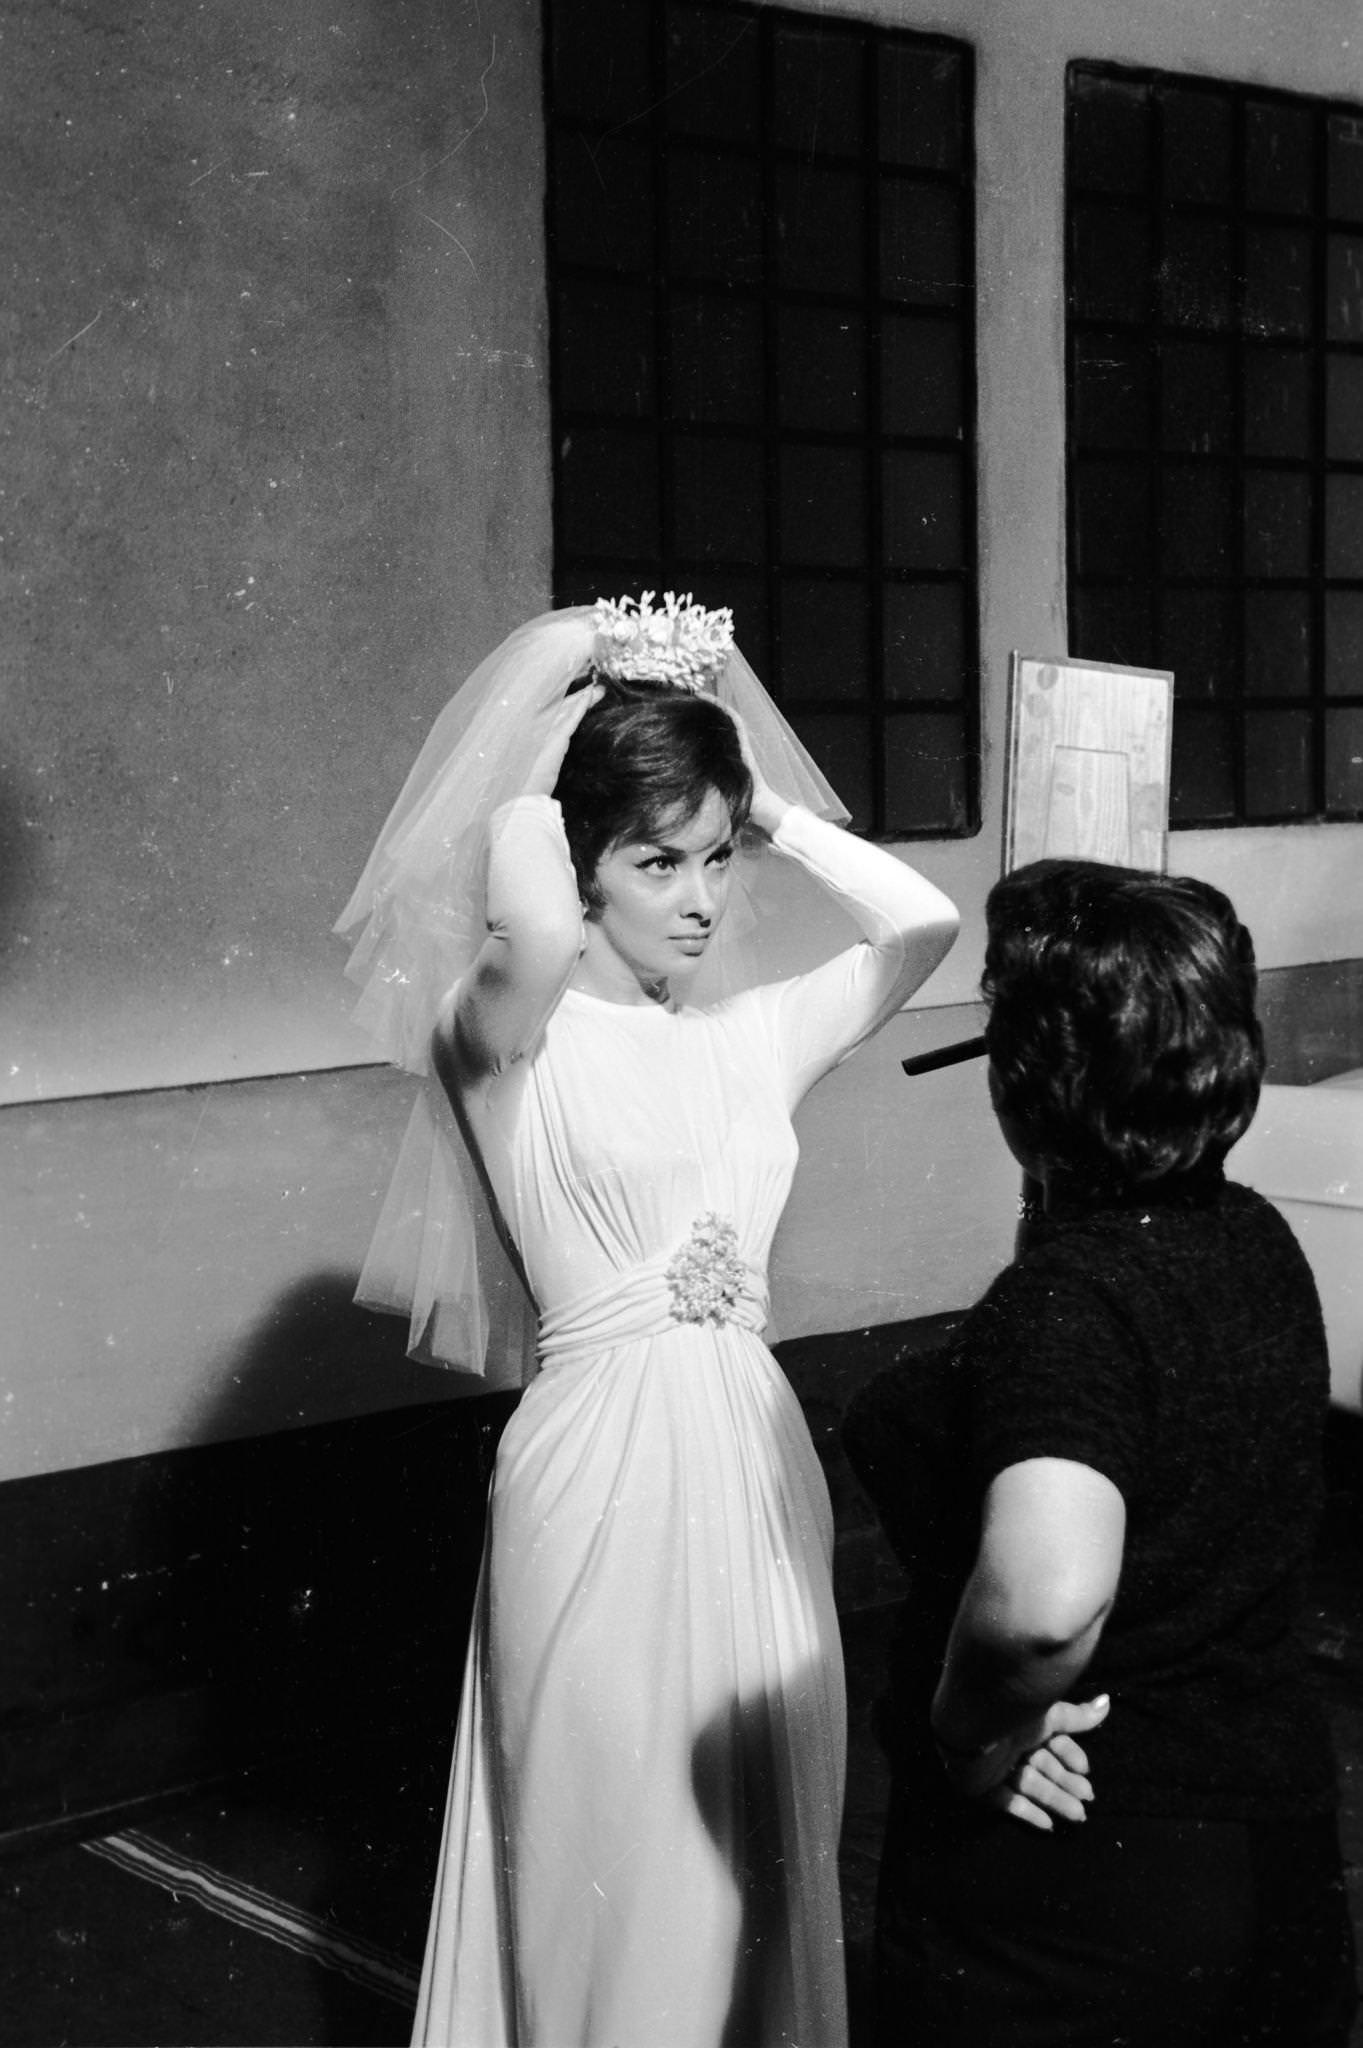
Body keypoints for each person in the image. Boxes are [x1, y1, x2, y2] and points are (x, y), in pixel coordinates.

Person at [334, 592, 959, 2048]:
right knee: (603, 1861)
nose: (697, 896)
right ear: (579, 862)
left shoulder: (748, 1042)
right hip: (593, 1478)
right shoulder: (501, 1041)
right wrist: (579, 675)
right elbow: (533, 920)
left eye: (714, 860)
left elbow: (924, 922)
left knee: (754, 1857)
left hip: (750, 1474)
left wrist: (760, 807)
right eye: (653, 859)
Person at [844, 857, 1359, 2047]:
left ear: (1023, 1084)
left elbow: (1044, 1597)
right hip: (1270, 1852)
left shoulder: (1071, 1302)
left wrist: (967, 1737)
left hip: (1077, 1881)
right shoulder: (1254, 1236)